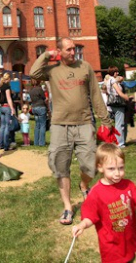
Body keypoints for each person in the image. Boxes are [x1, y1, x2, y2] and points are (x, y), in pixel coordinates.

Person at [30, 38, 113, 226]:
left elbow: (95, 94)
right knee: (61, 166)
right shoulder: (52, 71)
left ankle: (84, 185)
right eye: (68, 50)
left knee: (92, 164)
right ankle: (68, 207)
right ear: (59, 52)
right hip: (60, 125)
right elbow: (33, 72)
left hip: (84, 123)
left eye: (74, 49)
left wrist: (105, 119)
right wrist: (46, 55)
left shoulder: (85, 67)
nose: (73, 52)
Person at [71, 143, 136, 263]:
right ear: (100, 168)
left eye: (121, 168)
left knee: (130, 259)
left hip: (128, 241)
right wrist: (82, 225)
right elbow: (90, 216)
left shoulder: (128, 185)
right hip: (111, 248)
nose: (117, 173)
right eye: (111, 169)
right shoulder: (96, 193)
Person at [104, 67, 129, 147]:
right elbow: (119, 92)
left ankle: (115, 140)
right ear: (113, 72)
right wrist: (126, 97)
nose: (117, 73)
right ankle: (120, 143)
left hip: (111, 104)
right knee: (119, 124)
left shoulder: (107, 81)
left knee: (117, 123)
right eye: (116, 72)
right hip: (118, 103)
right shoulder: (113, 81)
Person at [28, 79, 49, 147]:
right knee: (42, 125)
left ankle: (36, 142)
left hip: (34, 108)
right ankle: (41, 143)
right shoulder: (39, 89)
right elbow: (44, 98)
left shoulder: (31, 90)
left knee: (37, 125)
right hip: (41, 107)